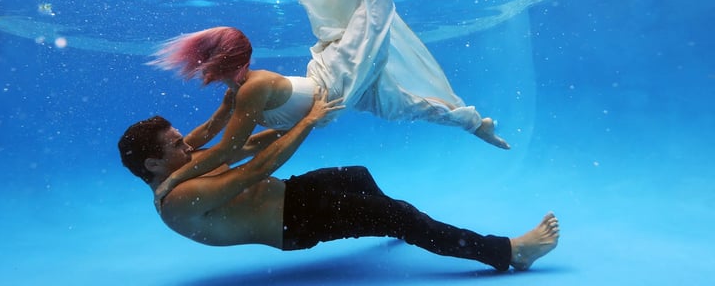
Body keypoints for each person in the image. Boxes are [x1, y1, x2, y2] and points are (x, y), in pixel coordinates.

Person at [149, 0, 509, 197]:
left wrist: (175, 178)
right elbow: (208, 134)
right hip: (332, 98)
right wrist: (179, 160)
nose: (198, 68)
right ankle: (474, 123)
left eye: (202, 60)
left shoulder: (251, 91)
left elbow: (229, 148)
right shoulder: (236, 93)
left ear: (220, 59)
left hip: (336, 80)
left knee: (373, 17)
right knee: (404, 107)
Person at [118, 90, 560, 273]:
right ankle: (509, 253)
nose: (187, 144)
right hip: (296, 223)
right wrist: (306, 123)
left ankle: (390, 221)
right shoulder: (178, 199)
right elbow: (254, 168)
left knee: (358, 176)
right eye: (175, 143)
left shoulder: (181, 161)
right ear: (154, 165)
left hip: (291, 194)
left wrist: (235, 94)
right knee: (400, 214)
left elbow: (218, 133)